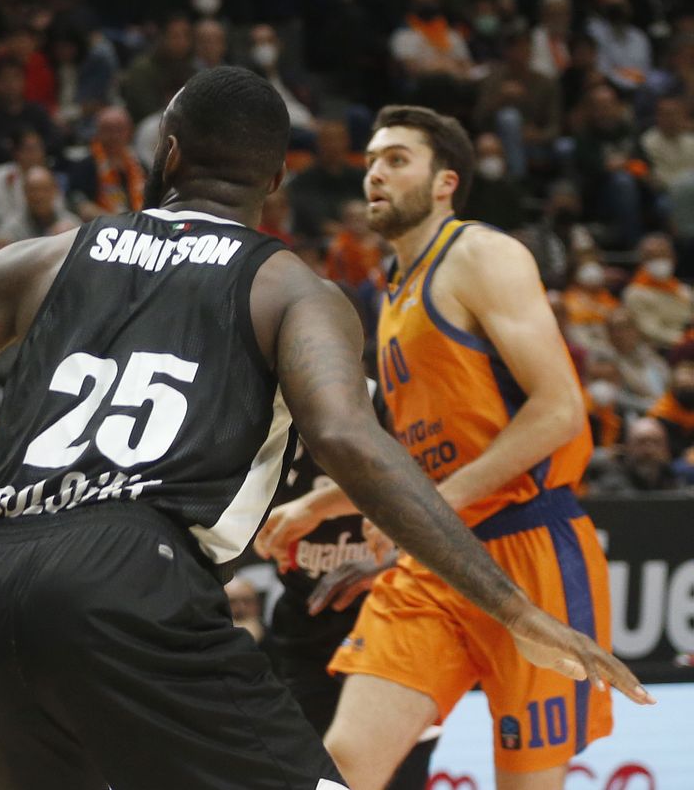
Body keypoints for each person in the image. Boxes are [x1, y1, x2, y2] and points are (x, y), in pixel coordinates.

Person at [0, 66, 649, 790]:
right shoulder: (292, 286)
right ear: (278, 180)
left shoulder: (56, 252)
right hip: (134, 582)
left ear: (167, 153)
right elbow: (356, 441)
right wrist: (517, 608)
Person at [260, 103, 619, 789]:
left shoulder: (482, 254)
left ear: (446, 180)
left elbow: (560, 410)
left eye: (397, 159)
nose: (375, 174)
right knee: (344, 763)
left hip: (528, 548)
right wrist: (323, 500)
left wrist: (429, 504)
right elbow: (421, 450)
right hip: (435, 559)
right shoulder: (394, 292)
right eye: (370, 161)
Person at [253, 391, 437, 790]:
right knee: (311, 769)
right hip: (306, 618)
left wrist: (388, 562)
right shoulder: (261, 417)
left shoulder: (386, 403)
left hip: (389, 611)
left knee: (400, 769)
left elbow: (432, 492)